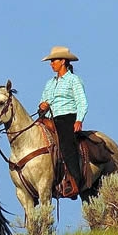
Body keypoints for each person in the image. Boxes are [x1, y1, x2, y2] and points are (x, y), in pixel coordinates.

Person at [38, 46, 88, 198]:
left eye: (54, 60)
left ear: (63, 61)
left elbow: (82, 102)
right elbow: (42, 103)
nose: (51, 63)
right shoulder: (50, 83)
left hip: (67, 117)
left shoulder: (73, 80)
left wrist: (79, 120)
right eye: (51, 61)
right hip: (51, 118)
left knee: (66, 145)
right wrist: (42, 107)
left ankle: (74, 182)